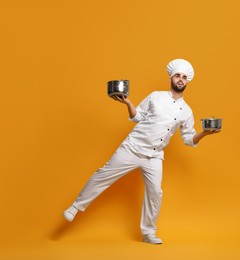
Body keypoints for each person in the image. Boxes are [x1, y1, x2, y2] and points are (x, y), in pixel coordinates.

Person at [63, 59, 221, 244]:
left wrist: (205, 133)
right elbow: (137, 116)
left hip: (154, 155)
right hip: (133, 147)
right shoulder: (155, 96)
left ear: (187, 82)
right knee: (103, 175)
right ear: (171, 78)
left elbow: (188, 139)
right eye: (178, 75)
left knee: (155, 193)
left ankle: (148, 233)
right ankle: (75, 207)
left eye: (184, 77)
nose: (181, 79)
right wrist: (127, 102)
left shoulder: (186, 111)